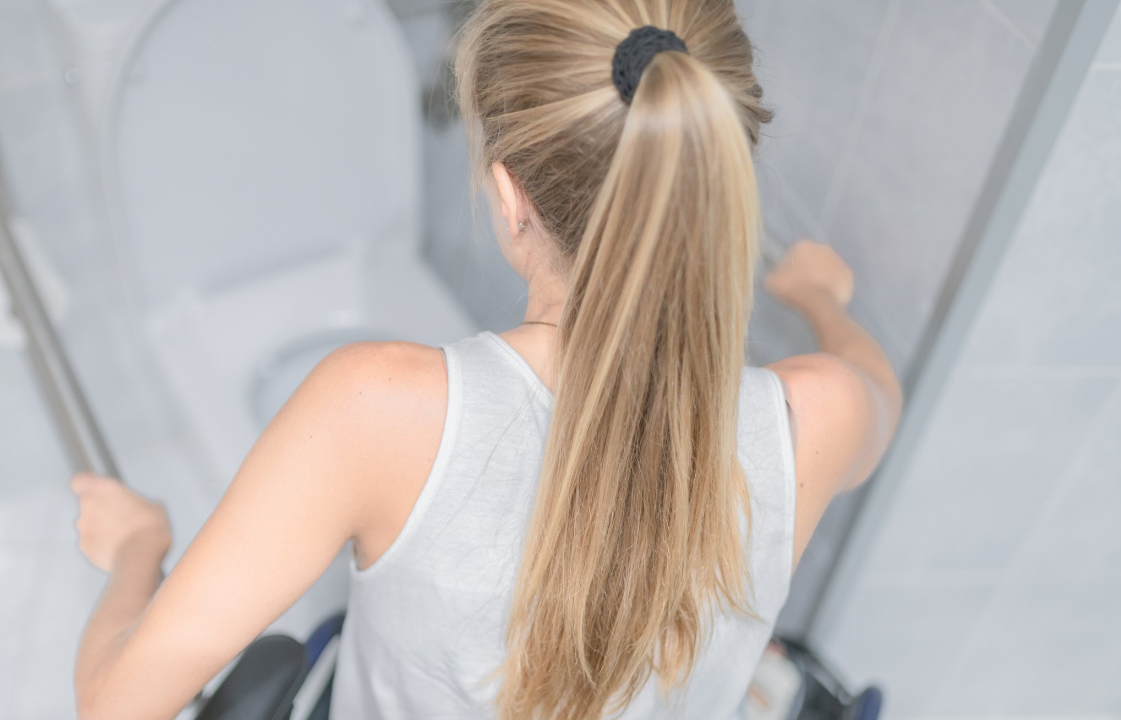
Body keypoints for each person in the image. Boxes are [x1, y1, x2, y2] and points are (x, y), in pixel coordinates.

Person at [70, 1, 903, 718]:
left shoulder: (377, 408)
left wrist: (139, 545)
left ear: (510, 201)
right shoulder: (820, 414)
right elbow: (877, 388)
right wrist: (822, 301)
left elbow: (116, 703)